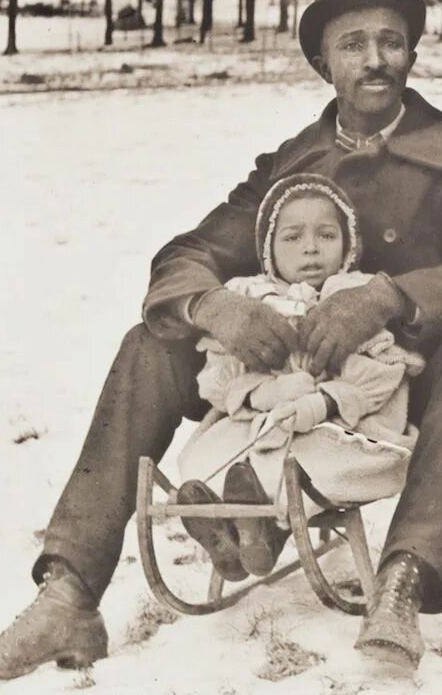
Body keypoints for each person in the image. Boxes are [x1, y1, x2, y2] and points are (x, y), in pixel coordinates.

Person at [0, 0, 442, 683]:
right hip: (282, 372)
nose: (375, 60)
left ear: (412, 52)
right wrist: (212, 305)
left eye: (391, 41)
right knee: (150, 343)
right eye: (353, 44)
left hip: (401, 380)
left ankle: (405, 578)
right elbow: (190, 254)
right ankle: (68, 592)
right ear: (323, 63)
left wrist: (387, 298)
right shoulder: (293, 166)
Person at [174, 173, 423, 582]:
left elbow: (382, 374)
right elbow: (217, 379)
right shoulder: (251, 298)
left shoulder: (354, 297)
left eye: (326, 235)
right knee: (217, 457)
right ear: (268, 248)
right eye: (292, 237)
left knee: (315, 463)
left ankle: (260, 528)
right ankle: (235, 532)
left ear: (347, 244)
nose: (310, 248)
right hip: (263, 423)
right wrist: (260, 392)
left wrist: (322, 401)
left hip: (340, 425)